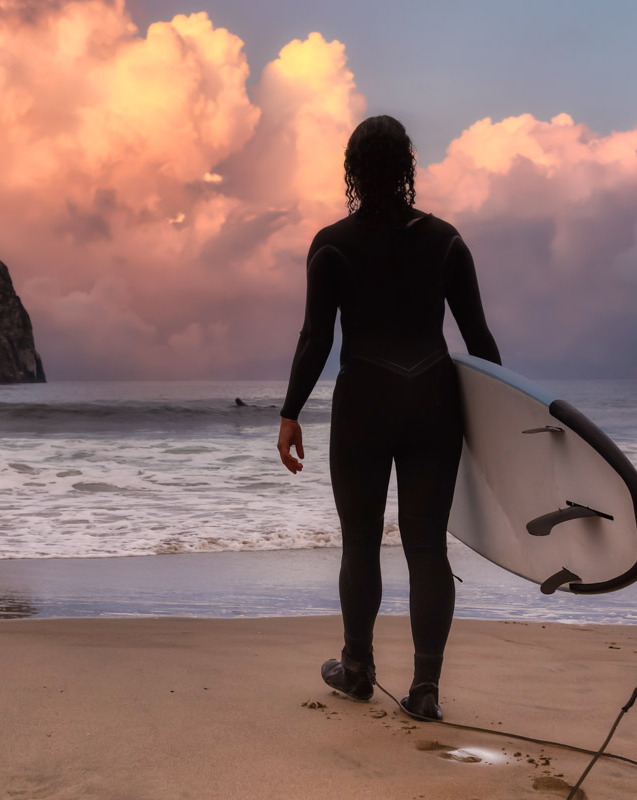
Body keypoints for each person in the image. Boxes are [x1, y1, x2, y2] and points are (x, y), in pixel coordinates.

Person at [276, 115, 501, 721]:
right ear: (407, 165)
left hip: (364, 405)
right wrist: (504, 422)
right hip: (434, 401)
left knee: (360, 544)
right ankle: (425, 688)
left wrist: (290, 411)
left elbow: (315, 339)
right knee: (426, 546)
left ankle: (357, 668)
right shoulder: (447, 240)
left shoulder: (331, 245)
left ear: (351, 167)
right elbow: (479, 339)